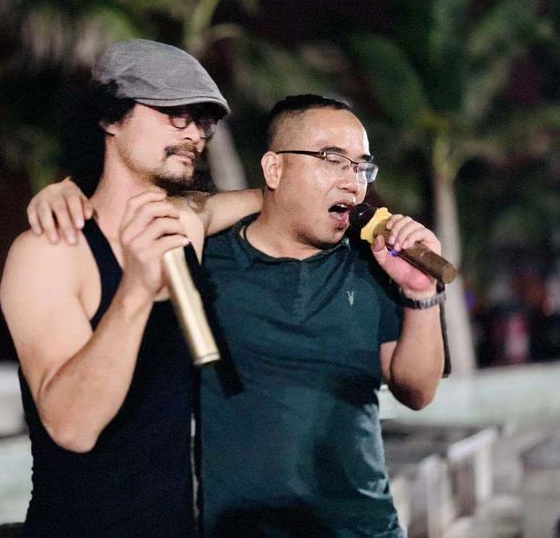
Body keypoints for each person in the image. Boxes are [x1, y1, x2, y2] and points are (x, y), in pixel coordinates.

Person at [28, 94, 445, 536]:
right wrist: (72, 195)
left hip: (366, 528)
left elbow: (417, 392)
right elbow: (139, 221)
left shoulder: (373, 265)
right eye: (332, 160)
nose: (352, 182)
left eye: (361, 167)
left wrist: (420, 293)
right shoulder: (205, 260)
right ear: (274, 169)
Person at [0, 39, 262, 537]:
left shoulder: (187, 222)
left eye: (202, 121)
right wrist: (137, 290)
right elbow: (71, 427)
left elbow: (266, 198)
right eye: (173, 114)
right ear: (110, 118)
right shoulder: (51, 251)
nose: (194, 134)